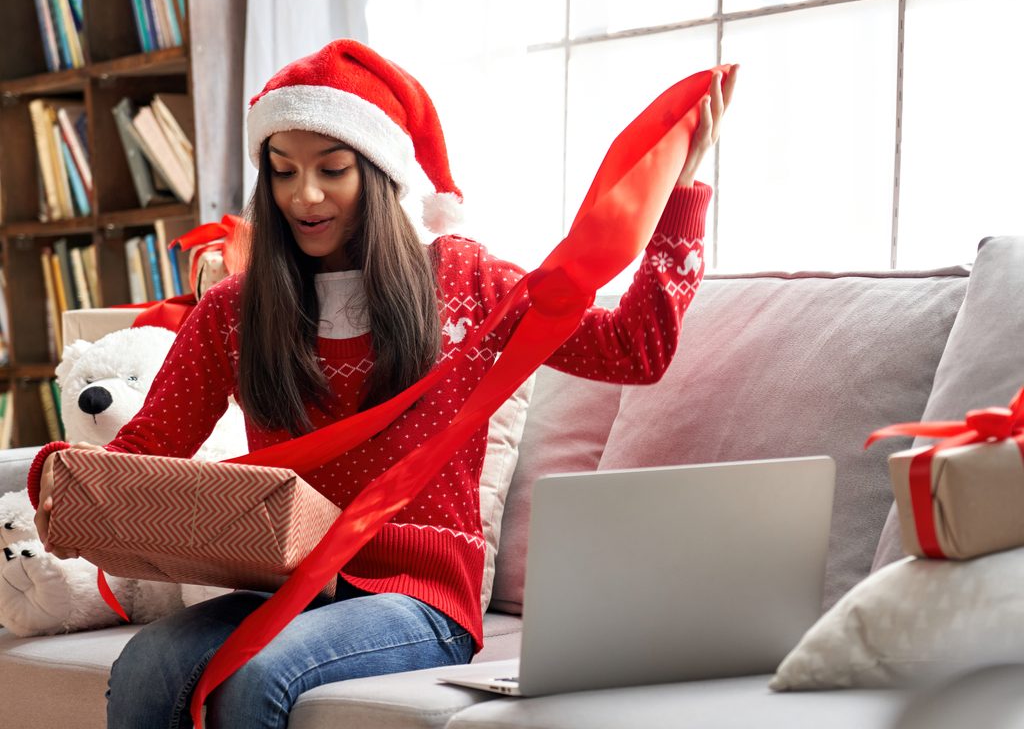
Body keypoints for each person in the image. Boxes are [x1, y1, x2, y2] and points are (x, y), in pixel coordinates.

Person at [28, 39, 737, 729]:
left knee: (257, 675)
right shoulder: (234, 312)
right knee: (149, 662)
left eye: (331, 169)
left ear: (380, 172)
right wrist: (62, 480)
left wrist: (679, 194)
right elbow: (153, 445)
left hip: (420, 595)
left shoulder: (465, 281)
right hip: (288, 584)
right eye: (281, 170)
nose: (304, 194)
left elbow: (631, 351)